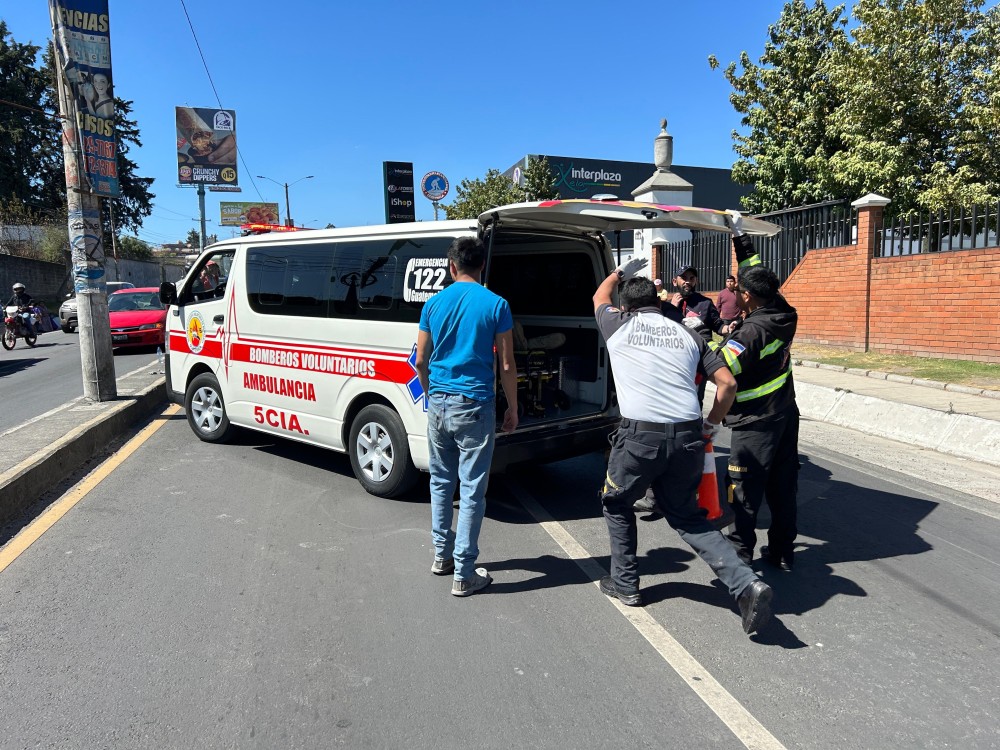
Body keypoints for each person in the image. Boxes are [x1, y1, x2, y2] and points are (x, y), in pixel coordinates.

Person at [594, 257, 773, 634]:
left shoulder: (618, 324)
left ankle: (625, 584)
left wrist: (619, 272)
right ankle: (745, 584)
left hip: (640, 438)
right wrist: (710, 424)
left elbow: (599, 295)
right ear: (660, 303)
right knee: (688, 517)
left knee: (616, 501)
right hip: (689, 437)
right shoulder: (690, 335)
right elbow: (728, 384)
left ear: (626, 306)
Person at [415, 237, 519, 597]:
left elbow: (420, 360)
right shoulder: (497, 304)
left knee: (441, 482)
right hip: (475, 404)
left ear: (452, 266)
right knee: (473, 488)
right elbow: (506, 364)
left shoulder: (433, 304)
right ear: (482, 267)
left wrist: (431, 394)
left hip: (439, 403)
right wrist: (513, 408)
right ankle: (464, 572)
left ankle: (442, 557)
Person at [714, 211, 800, 572]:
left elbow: (722, 372)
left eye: (739, 291)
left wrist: (698, 341)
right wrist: (740, 237)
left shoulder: (750, 334)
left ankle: (741, 557)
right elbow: (756, 270)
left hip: (754, 425)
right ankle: (781, 553)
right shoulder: (783, 311)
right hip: (784, 415)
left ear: (747, 297)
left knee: (742, 492)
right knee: (783, 489)